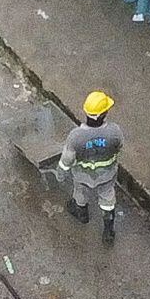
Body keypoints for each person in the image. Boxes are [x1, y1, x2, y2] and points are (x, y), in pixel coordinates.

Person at [62, 90, 124, 240]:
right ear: (104, 113)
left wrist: (61, 170)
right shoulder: (114, 131)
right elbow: (120, 146)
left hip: (82, 175)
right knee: (107, 199)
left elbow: (68, 158)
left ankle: (82, 215)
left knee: (80, 194)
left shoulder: (76, 136)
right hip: (106, 175)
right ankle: (108, 232)